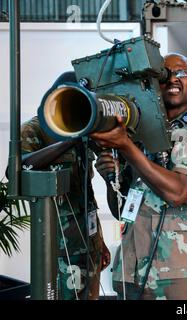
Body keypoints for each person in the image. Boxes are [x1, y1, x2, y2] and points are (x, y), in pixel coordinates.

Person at [92, 53, 187, 300]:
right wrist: (110, 178)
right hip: (132, 271)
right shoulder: (136, 136)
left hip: (180, 273)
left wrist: (126, 147)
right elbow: (122, 209)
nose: (173, 78)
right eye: (164, 74)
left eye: (182, 73)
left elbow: (178, 192)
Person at [20, 72, 110, 299]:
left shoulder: (85, 133)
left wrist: (100, 242)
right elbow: (21, 169)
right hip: (59, 248)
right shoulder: (34, 130)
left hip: (89, 244)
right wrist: (69, 139)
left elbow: (87, 195)